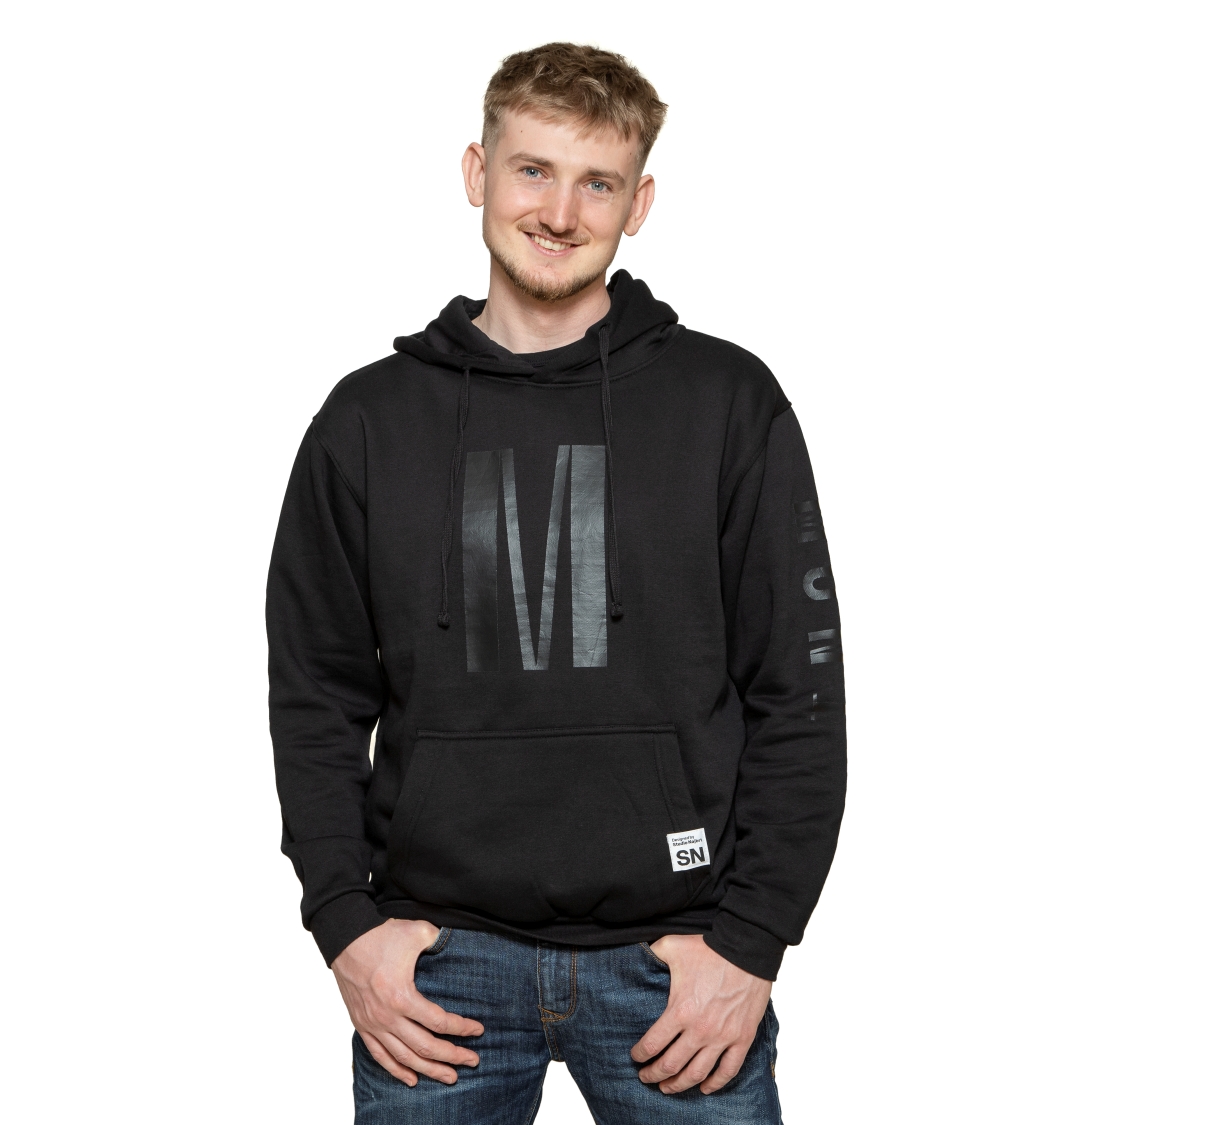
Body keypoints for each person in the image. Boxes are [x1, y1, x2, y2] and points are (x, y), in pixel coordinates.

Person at [266, 41, 846, 1124]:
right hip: (438, 971)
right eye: (533, 170)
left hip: (676, 969)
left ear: (640, 204)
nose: (561, 212)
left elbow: (800, 694)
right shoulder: (367, 422)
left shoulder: (727, 403)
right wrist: (346, 929)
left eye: (599, 182)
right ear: (476, 172)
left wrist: (753, 943)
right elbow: (315, 694)